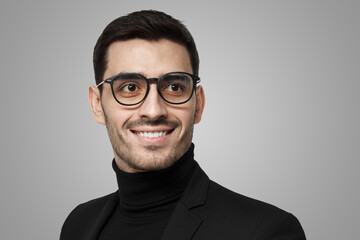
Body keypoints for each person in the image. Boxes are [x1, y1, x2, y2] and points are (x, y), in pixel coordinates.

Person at [60, 10, 306, 240]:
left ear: (198, 104)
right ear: (96, 105)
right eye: (130, 87)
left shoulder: (266, 231)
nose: (154, 110)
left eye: (175, 87)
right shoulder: (78, 225)